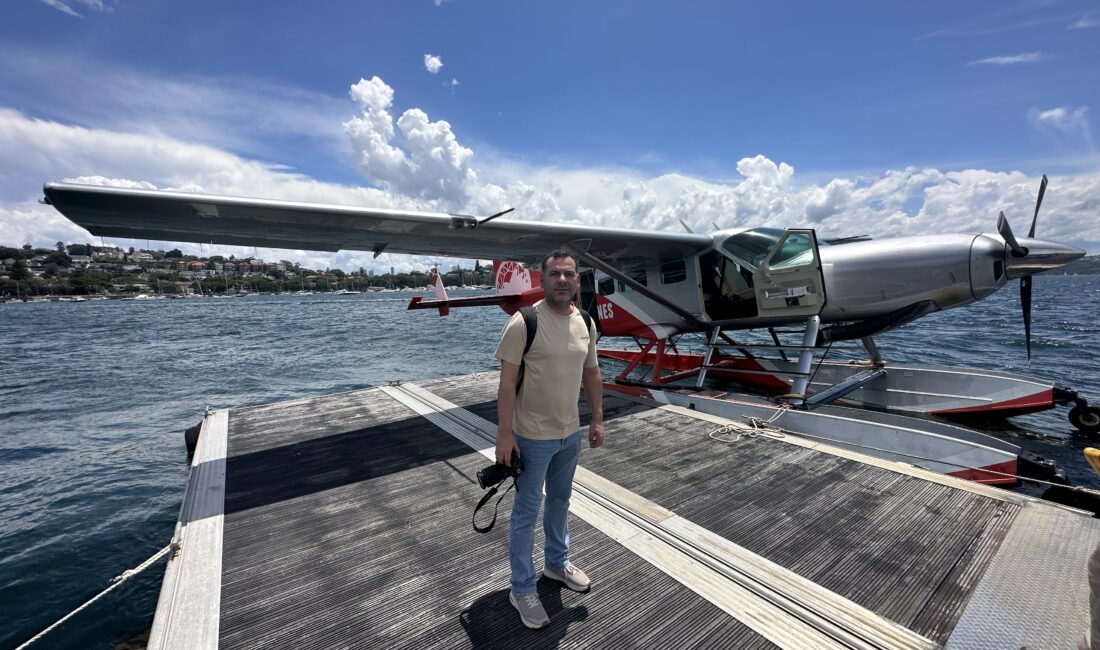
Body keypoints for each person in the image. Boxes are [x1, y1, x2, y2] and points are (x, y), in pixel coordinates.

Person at [494, 250, 604, 630]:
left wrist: (597, 420)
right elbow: (507, 383)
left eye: (569, 274)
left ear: (577, 281)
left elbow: (591, 374)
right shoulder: (524, 322)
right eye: (555, 273)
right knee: (526, 514)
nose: (562, 280)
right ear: (542, 279)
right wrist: (504, 435)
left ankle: (557, 564)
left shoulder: (585, 321)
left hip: (568, 435)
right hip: (531, 437)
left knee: (560, 502)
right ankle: (522, 588)